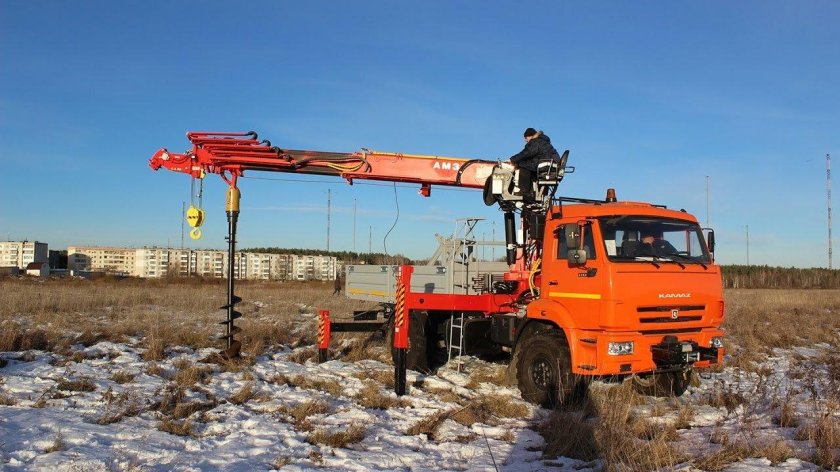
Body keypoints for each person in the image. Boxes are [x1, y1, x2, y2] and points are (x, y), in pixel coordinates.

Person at [509, 128, 561, 199]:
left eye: (526, 138)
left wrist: (512, 160)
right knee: (528, 165)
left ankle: (524, 191)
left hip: (546, 164)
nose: (525, 140)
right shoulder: (543, 141)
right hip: (552, 165)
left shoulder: (535, 141)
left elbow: (526, 153)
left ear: (530, 136)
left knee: (523, 165)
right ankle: (532, 192)